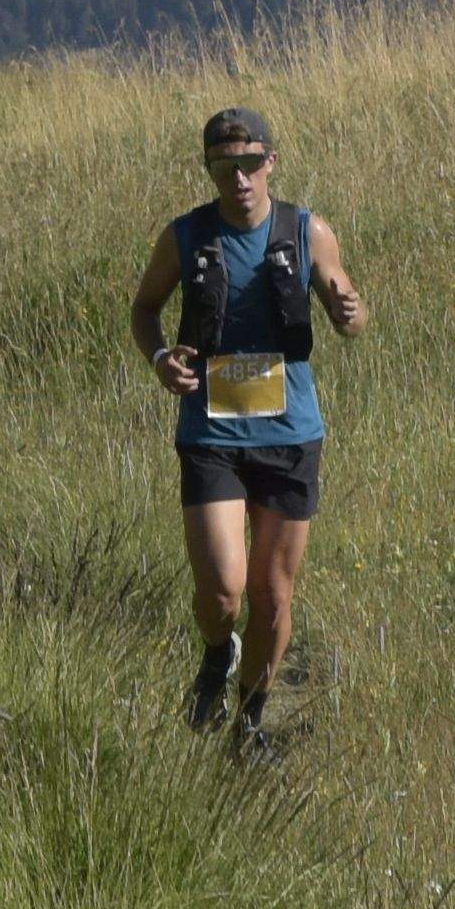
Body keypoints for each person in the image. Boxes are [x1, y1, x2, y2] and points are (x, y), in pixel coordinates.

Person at [122, 102, 359, 745]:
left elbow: (351, 314)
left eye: (251, 164)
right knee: (224, 593)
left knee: (273, 598)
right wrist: (159, 359)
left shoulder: (309, 232)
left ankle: (250, 718)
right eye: (225, 167)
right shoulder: (185, 236)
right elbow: (144, 310)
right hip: (211, 434)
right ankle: (215, 652)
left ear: (270, 162)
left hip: (289, 435)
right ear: (210, 170)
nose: (240, 179)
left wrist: (347, 311)